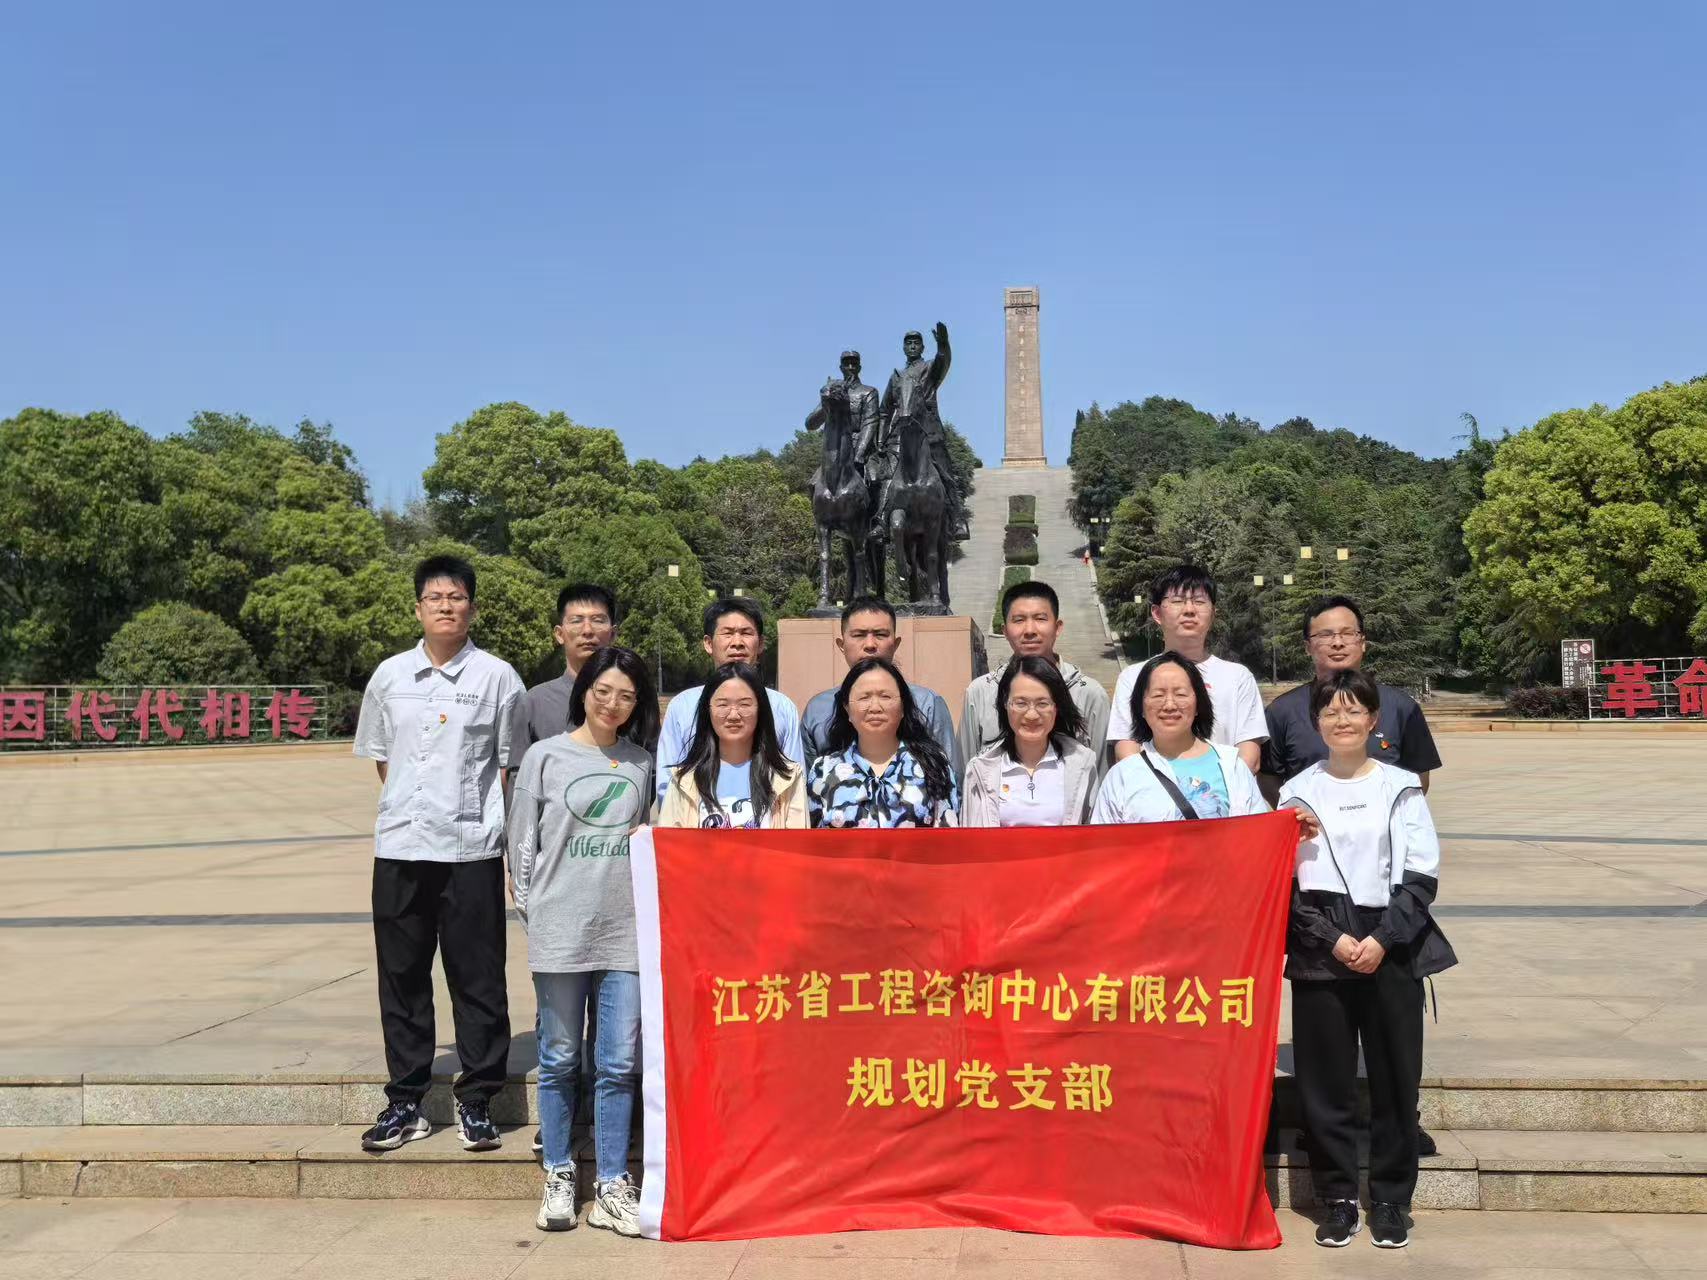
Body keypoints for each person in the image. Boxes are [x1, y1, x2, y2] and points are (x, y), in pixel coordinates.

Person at [352, 555, 525, 1153]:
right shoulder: (389, 676)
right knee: (401, 977)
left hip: (470, 850)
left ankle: (478, 1100)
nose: (446, 606)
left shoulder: (498, 678)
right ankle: (406, 1101)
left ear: (472, 608)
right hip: (400, 847)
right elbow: (384, 758)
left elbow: (509, 765)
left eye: (456, 597)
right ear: (418, 608)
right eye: (435, 597)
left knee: (478, 977)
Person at [1278, 669, 1456, 1249]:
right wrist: (1330, 938)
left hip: (1391, 943)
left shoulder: (1400, 786)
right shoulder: (1296, 791)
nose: (1343, 720)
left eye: (1354, 710)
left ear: (1374, 720)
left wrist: (1381, 939)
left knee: (1394, 1080)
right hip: (1320, 943)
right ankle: (1336, 1198)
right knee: (1324, 1083)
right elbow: (1286, 884)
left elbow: (1421, 874)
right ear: (1316, 721)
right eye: (1331, 711)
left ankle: (1391, 1199)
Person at [507, 646, 658, 1236]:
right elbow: (522, 846)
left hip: (625, 931)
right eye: (603, 691)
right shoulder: (544, 757)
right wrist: (536, 913)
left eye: (626, 696)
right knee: (560, 1058)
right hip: (560, 929)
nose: (612, 704)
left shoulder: (641, 763)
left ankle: (613, 1183)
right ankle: (559, 1172)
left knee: (618, 1062)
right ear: (585, 691)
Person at [1263, 595, 1443, 792]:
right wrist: (1298, 809)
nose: (1337, 642)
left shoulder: (1401, 707)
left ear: (1362, 642)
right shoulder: (1281, 712)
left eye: (1347, 633)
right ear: (1307, 647)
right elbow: (1268, 778)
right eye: (1325, 635)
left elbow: (1419, 777)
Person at [1108, 565, 1267, 774]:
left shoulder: (1238, 677)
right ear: (1157, 613)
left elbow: (1249, 757)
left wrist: (1212, 788)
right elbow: (1126, 751)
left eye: (1199, 601)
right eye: (1177, 601)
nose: (1189, 610)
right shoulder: (1133, 677)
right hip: (1155, 791)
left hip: (1225, 791)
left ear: (1213, 613)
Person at [653, 598, 804, 809]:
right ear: (708, 643)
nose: (737, 642)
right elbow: (667, 785)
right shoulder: (682, 706)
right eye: (728, 633)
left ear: (761, 643)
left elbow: (793, 783)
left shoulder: (782, 707)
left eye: (746, 633)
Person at [1091, 650, 1268, 823]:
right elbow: (1104, 840)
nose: (1169, 705)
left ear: (1198, 704)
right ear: (1141, 708)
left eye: (1180, 694)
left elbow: (1260, 833)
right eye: (1158, 695)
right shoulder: (1122, 776)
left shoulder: (1234, 767)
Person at [958, 581, 1111, 769]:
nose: (1030, 630)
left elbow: (1102, 774)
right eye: (1019, 620)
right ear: (1005, 631)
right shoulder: (980, 692)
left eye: (1040, 618)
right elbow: (965, 770)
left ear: (1057, 627)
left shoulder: (1090, 694)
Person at [801, 597, 960, 776]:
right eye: (859, 635)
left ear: (896, 644)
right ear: (841, 644)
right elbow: (809, 783)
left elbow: (950, 777)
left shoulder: (927, 704)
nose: (870, 645)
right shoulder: (817, 710)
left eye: (880, 635)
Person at [807, 657, 958, 828]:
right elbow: (813, 840)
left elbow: (949, 837)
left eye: (885, 696)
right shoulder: (823, 771)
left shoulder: (934, 766)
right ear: (847, 708)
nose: (875, 707)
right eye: (864, 698)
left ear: (903, 707)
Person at [658, 662, 808, 828]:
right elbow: (668, 841)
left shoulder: (788, 779)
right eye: (723, 705)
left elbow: (798, 842)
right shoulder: (683, 781)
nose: (733, 715)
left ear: (761, 709)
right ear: (707, 710)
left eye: (744, 704)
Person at [961, 656, 1098, 826]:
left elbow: (1095, 833)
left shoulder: (1083, 765)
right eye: (1021, 703)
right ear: (1005, 703)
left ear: (1056, 706)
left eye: (1042, 704)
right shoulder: (979, 770)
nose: (1031, 715)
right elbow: (970, 837)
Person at [877, 323, 967, 540]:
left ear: (922, 347)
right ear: (903, 348)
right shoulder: (896, 376)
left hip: (930, 433)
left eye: (916, 343)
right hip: (900, 437)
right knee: (887, 476)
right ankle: (881, 520)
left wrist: (943, 345)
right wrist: (880, 441)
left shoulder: (929, 369)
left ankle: (957, 520)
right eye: (908, 343)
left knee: (945, 473)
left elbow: (943, 362)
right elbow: (885, 411)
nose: (912, 346)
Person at [511, 583, 620, 761]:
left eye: (598, 620)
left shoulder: (632, 701)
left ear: (613, 634)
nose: (587, 630)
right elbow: (517, 772)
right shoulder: (534, 702)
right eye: (576, 621)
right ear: (559, 634)